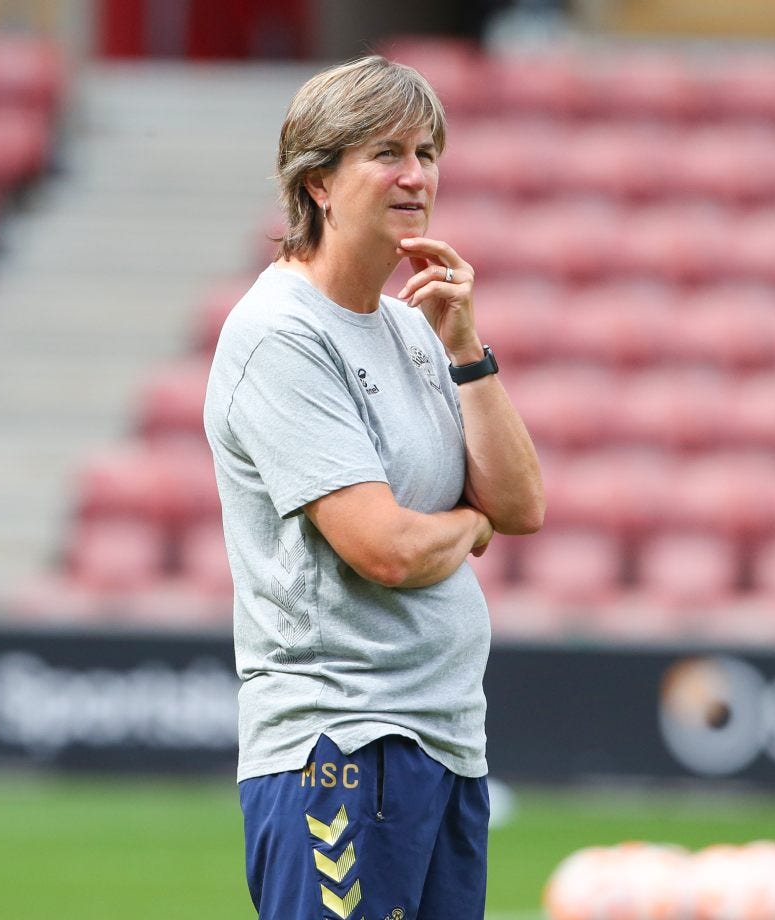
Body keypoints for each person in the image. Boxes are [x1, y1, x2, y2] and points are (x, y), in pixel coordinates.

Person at [203, 55, 545, 920]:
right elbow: (386, 549)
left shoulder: (411, 323)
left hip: (445, 740)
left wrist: (466, 347)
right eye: (387, 153)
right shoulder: (279, 334)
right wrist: (468, 528)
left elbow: (524, 506)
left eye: (428, 153)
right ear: (318, 181)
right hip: (342, 748)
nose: (417, 176)